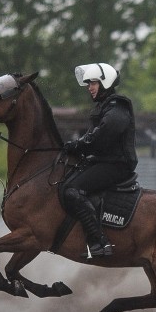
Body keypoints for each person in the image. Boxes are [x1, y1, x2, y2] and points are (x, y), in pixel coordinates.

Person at [61, 62, 138, 258]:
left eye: (93, 83)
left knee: (73, 190)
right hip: (104, 162)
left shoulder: (117, 107)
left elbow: (103, 135)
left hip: (117, 164)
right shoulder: (104, 107)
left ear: (105, 82)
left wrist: (78, 145)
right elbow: (95, 139)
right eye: (88, 84)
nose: (90, 87)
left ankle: (98, 242)